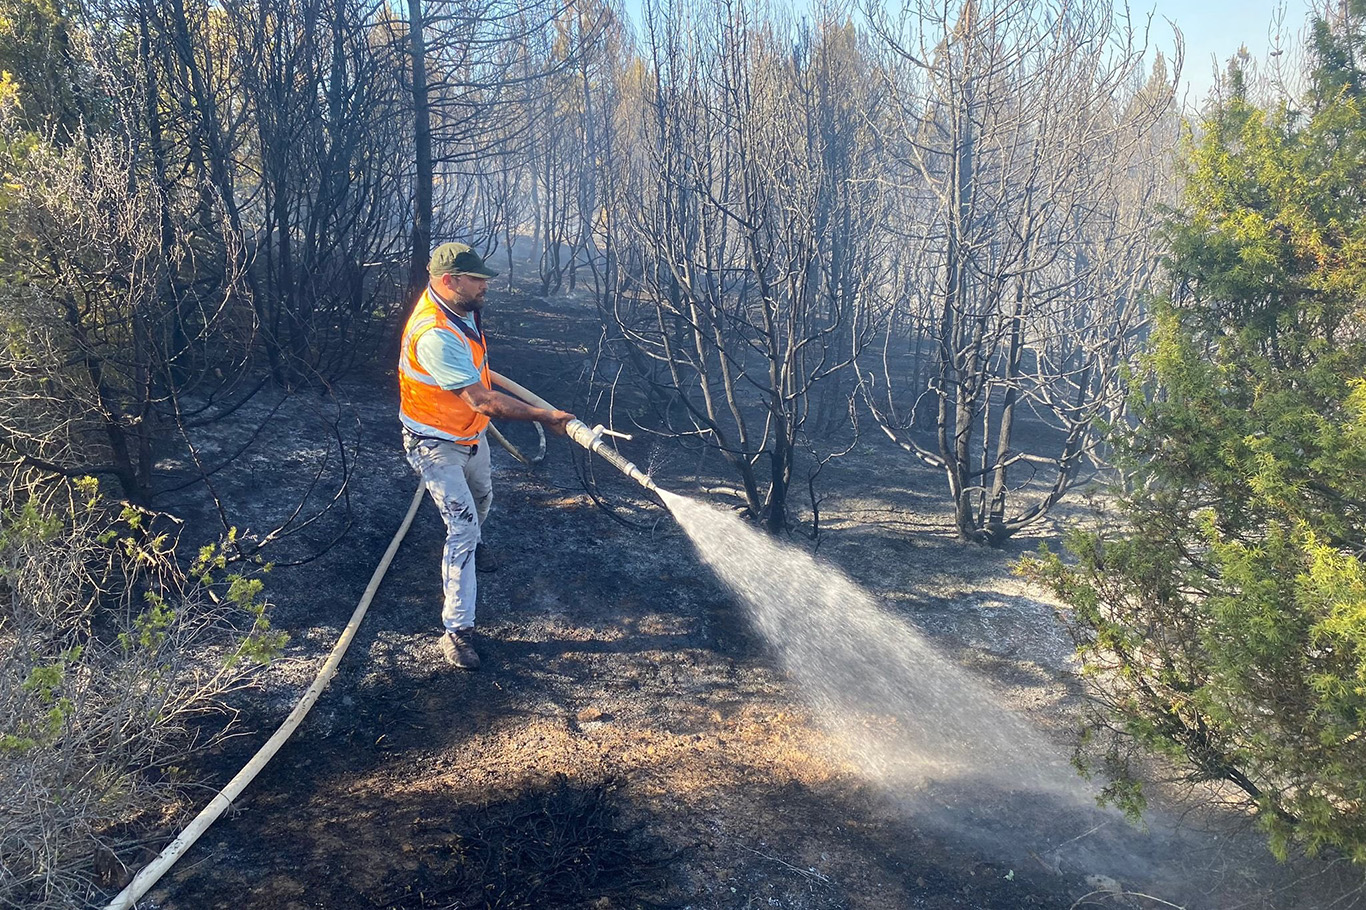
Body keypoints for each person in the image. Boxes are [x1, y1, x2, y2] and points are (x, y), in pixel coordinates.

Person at [399, 241, 575, 669]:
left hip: (468, 435)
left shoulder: (459, 310)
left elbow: (476, 380)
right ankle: (457, 631)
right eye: (477, 280)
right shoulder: (435, 333)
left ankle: (473, 552)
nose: (485, 287)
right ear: (448, 281)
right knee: (461, 526)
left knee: (482, 500)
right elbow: (482, 400)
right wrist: (545, 415)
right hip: (434, 443)